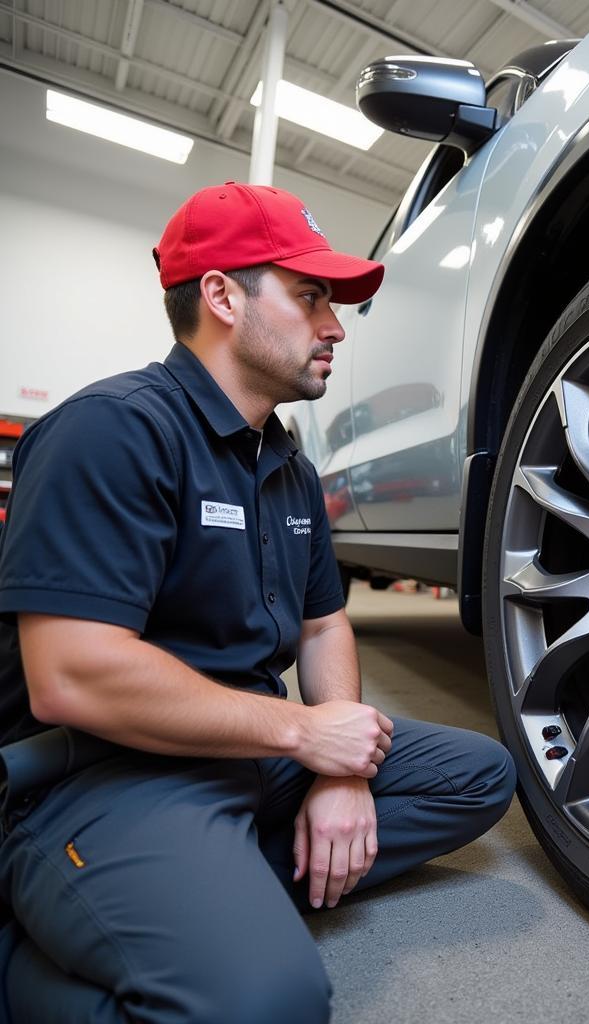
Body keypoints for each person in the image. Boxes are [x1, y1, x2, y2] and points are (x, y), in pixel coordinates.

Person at [0, 181, 516, 1023]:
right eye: (311, 296)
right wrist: (308, 736)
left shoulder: (288, 467)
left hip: (251, 753)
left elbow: (324, 623)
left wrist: (338, 769)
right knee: (267, 1003)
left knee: (480, 777)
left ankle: (215, 889)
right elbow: (73, 677)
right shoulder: (113, 430)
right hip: (112, 772)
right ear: (222, 297)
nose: (335, 327)